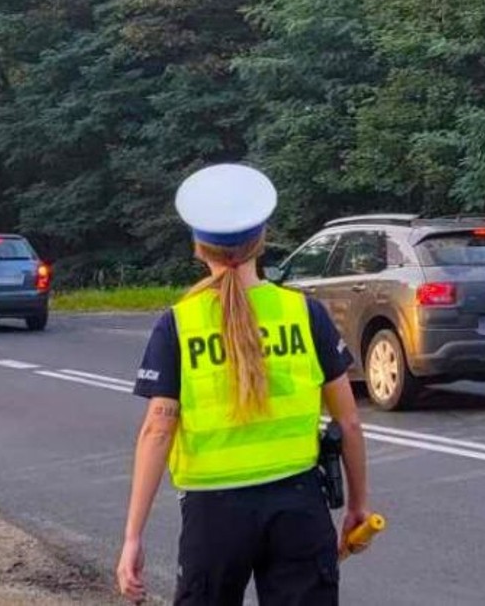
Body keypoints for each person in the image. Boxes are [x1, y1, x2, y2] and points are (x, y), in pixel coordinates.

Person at [119, 163, 369, 605]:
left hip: (213, 513)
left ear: (198, 247)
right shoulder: (304, 314)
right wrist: (356, 506)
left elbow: (158, 429)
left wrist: (133, 537)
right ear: (262, 239)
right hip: (298, 503)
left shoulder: (178, 324)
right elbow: (348, 423)